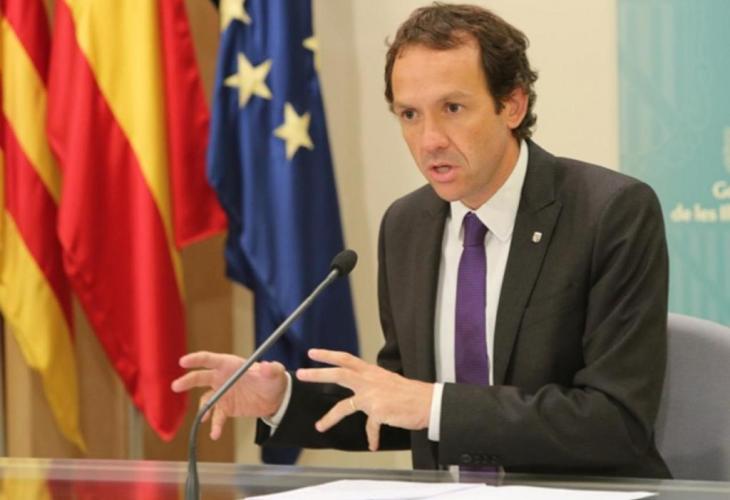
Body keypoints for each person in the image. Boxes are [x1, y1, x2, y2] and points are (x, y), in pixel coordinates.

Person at [172, 3, 670, 477]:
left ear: (512, 105)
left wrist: (433, 405)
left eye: (452, 108)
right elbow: (399, 402)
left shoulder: (609, 213)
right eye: (409, 114)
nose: (430, 139)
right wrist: (281, 399)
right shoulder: (408, 225)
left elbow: (615, 422)